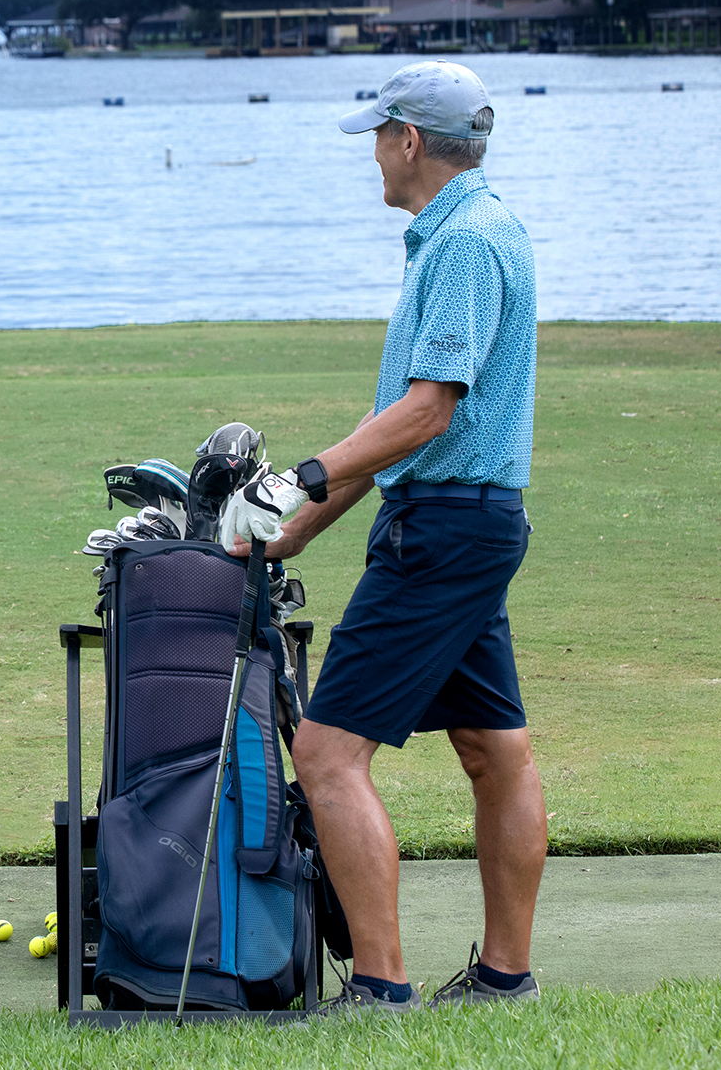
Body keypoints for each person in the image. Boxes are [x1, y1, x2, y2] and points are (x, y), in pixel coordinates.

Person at [217, 60, 543, 1012]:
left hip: (440, 534)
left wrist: (299, 476)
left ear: (408, 140)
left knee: (326, 756)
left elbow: (429, 413)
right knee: (493, 750)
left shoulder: (465, 244)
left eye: (377, 136)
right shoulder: (465, 231)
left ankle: (381, 990)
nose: (372, 154)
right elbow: (393, 430)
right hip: (468, 523)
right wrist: (293, 533)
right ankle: (505, 980)